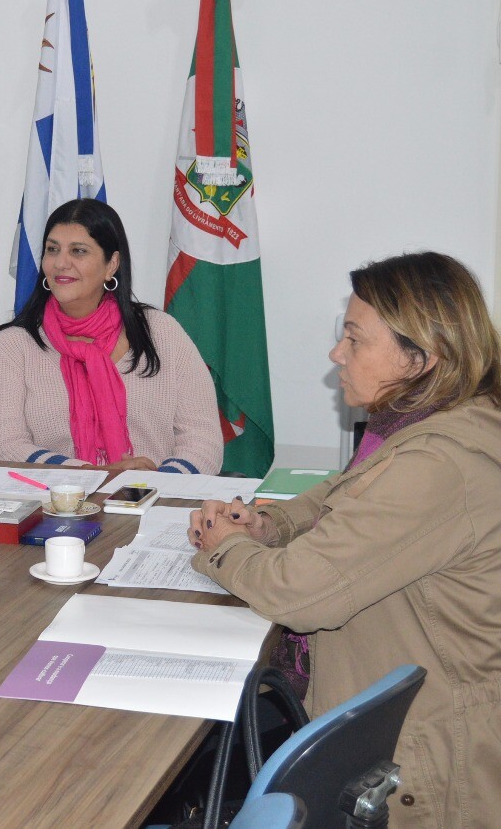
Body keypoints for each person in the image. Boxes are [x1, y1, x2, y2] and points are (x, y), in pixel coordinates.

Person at [190, 252, 501, 827]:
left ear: (421, 357)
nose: (337, 353)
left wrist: (224, 546)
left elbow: (299, 594)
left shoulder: (438, 464)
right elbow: (344, 493)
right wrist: (266, 527)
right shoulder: (425, 425)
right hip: (397, 706)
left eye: (355, 339)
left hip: (426, 754)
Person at [0, 199, 222, 473]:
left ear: (111, 264)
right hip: (56, 498)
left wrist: (156, 483)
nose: (60, 263)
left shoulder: (161, 333)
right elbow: (2, 446)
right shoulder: (14, 345)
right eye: (52, 249)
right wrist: (91, 476)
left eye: (78, 251)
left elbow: (203, 439)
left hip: (154, 495)